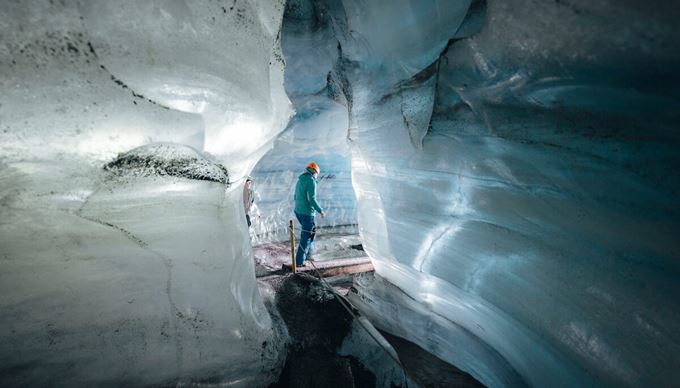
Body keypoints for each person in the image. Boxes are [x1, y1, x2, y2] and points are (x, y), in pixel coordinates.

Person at [294, 162, 325, 267]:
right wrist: (320, 210)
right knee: (306, 237)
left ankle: (309, 255)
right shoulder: (311, 181)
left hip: (298, 211)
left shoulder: (300, 180)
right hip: (307, 213)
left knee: (310, 233)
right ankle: (299, 262)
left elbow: (295, 196)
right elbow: (311, 199)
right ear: (315, 172)